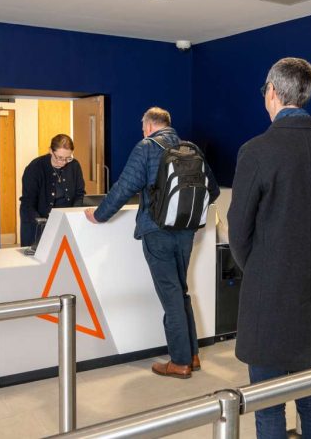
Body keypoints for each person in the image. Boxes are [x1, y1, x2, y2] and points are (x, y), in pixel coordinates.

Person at [228, 57, 311, 438]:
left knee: (268, 403)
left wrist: (263, 268)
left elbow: (238, 230)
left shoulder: (257, 150)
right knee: (310, 395)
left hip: (269, 296)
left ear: (272, 92)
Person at [84, 106, 219, 379]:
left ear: (147, 126)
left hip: (156, 232)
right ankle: (192, 355)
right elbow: (212, 191)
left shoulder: (146, 147)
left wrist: (99, 215)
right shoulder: (190, 148)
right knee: (180, 291)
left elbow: (124, 187)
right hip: (186, 231)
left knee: (170, 296)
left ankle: (179, 362)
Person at [20, 134, 86, 247]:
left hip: (64, 223)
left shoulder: (74, 166)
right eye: (59, 157)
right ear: (50, 151)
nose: (64, 162)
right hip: (37, 224)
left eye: (68, 158)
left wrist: (73, 215)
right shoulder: (35, 168)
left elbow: (79, 194)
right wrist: (41, 223)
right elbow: (28, 202)